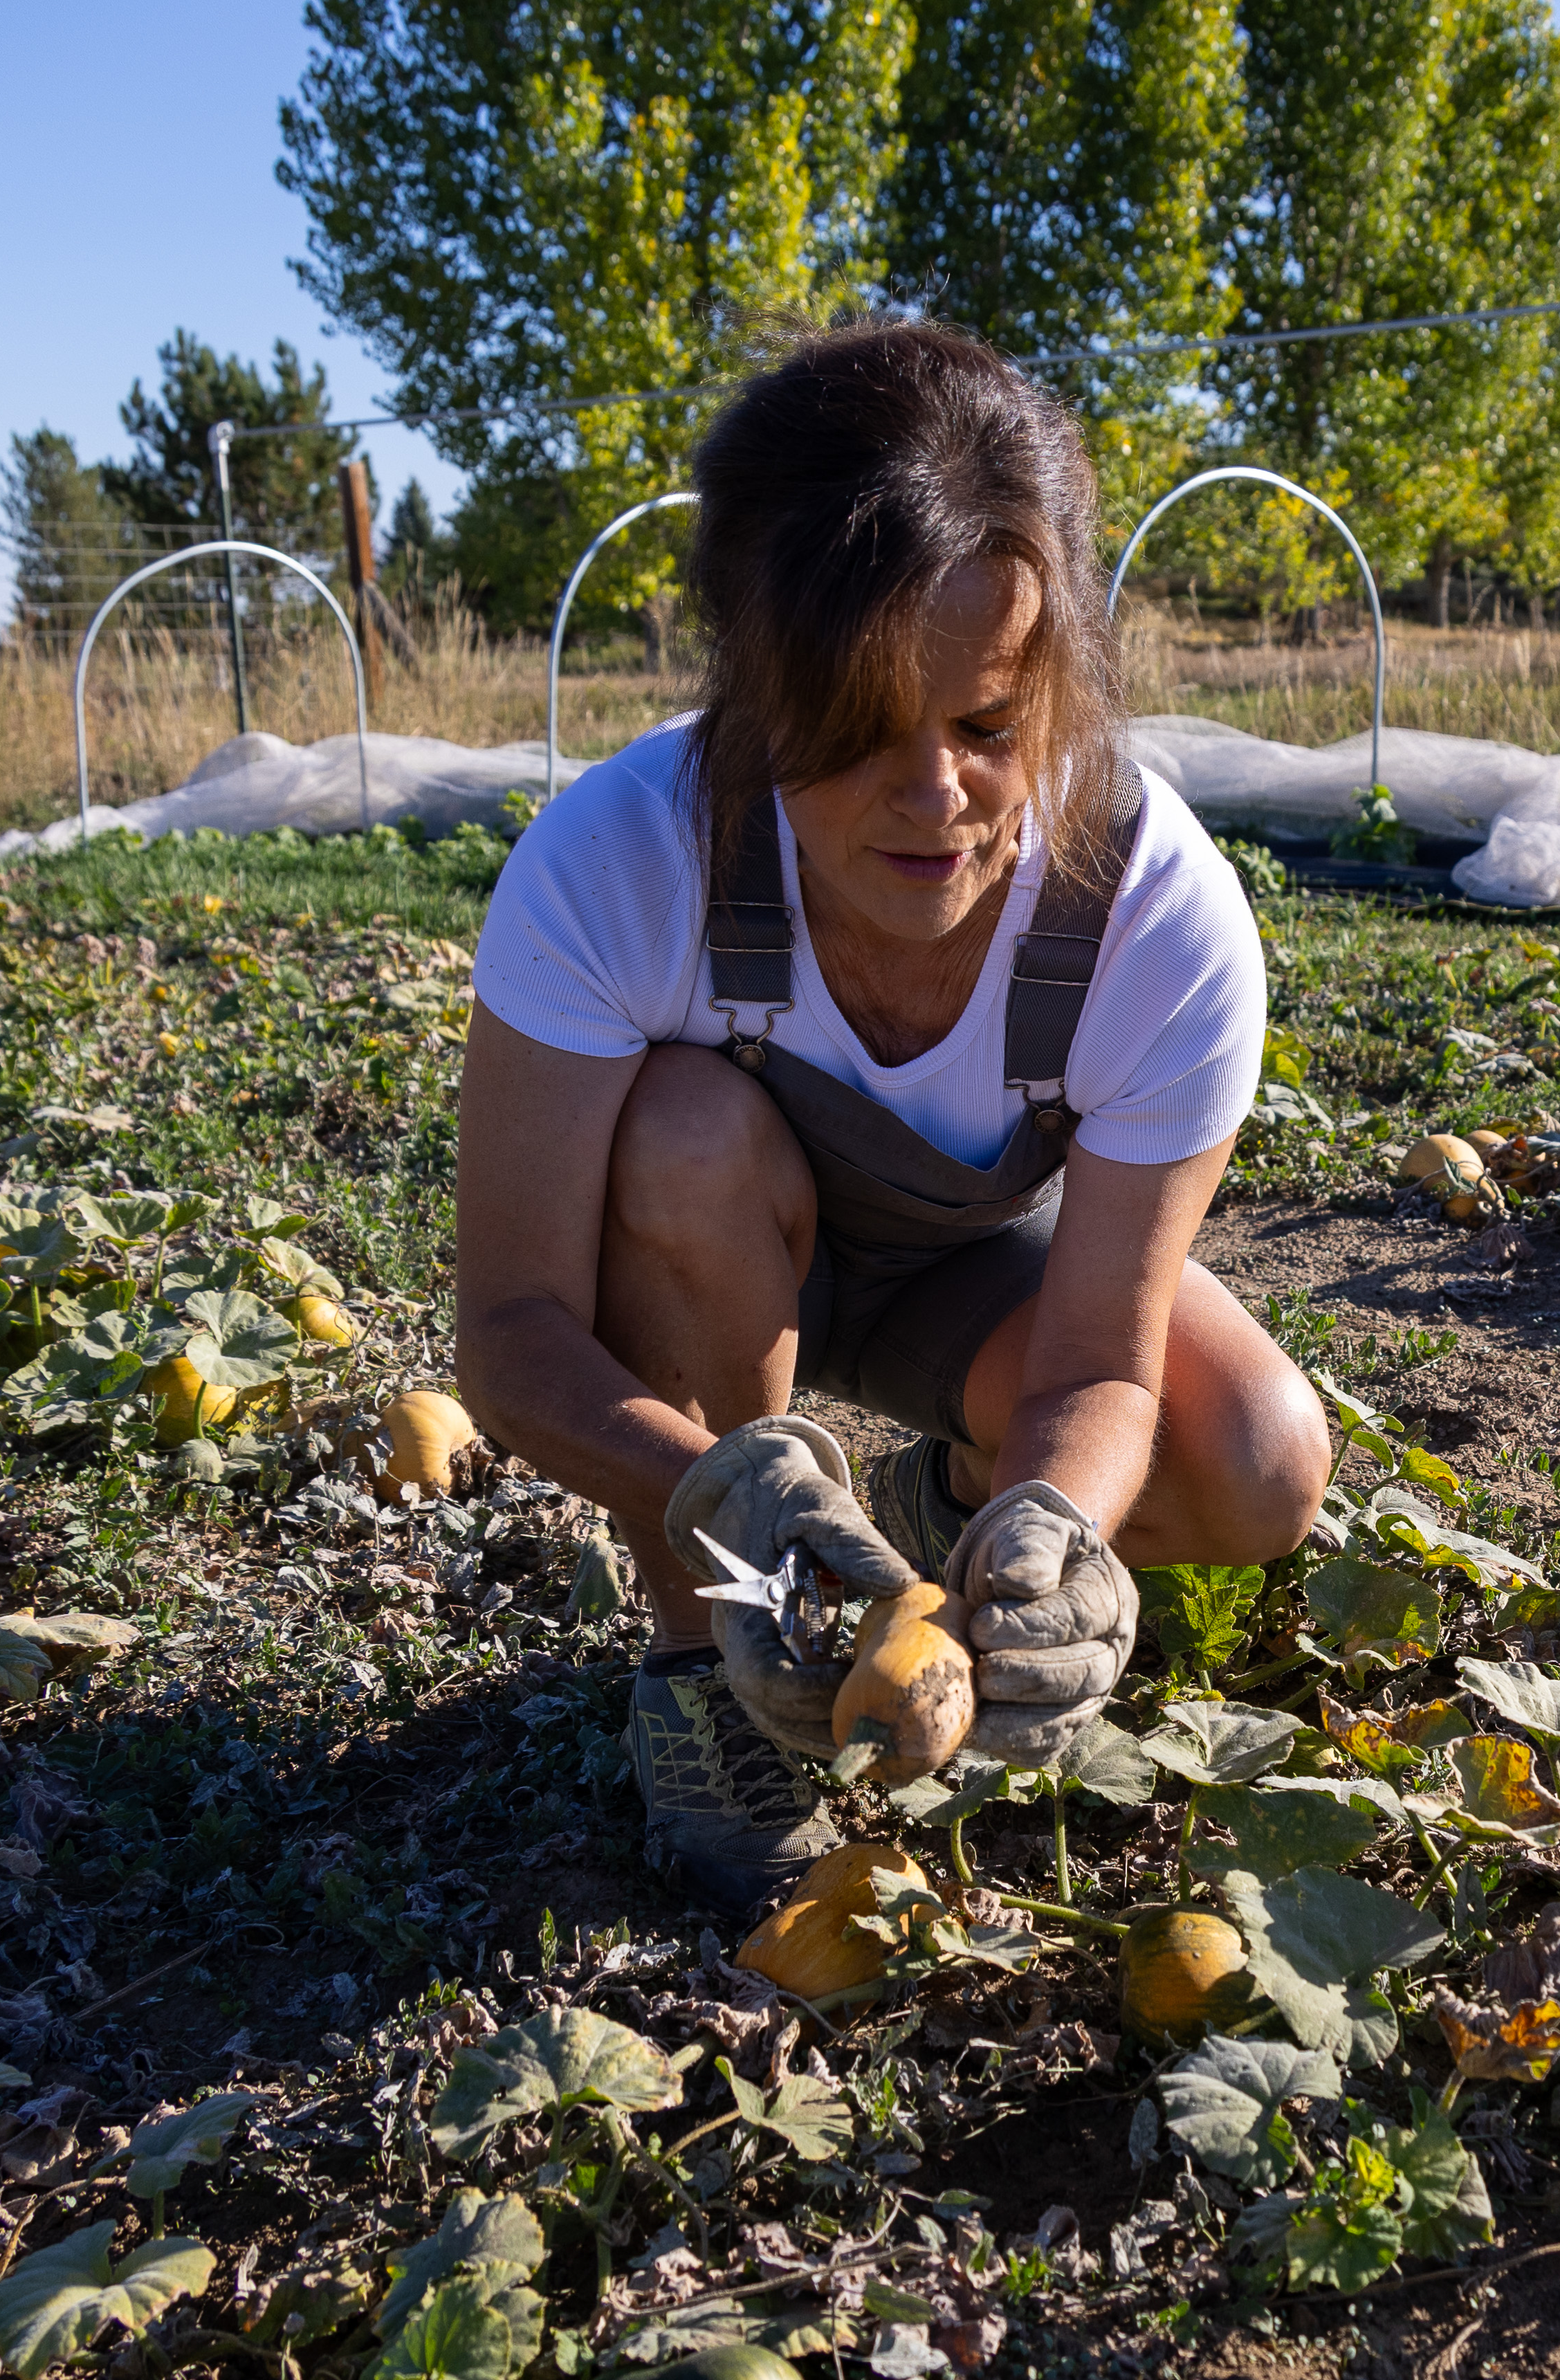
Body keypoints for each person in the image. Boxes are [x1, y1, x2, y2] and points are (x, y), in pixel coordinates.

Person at [454, 322, 1333, 1912]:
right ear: (750, 698)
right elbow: (513, 1333)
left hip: (968, 1277)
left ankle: (933, 1516)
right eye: (859, 732)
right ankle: (709, 1656)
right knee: (683, 1136)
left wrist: (1058, 1519)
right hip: (707, 1252)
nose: (934, 797)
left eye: (991, 728)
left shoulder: (1158, 920)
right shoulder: (616, 863)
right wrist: (721, 1498)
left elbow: (1099, 1361)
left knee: (1255, 1461)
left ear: (1057, 680)